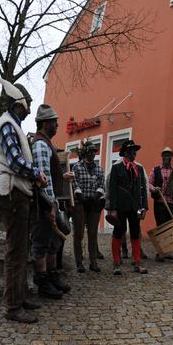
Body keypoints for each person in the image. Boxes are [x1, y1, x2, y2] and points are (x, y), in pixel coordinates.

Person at [0, 78, 47, 324]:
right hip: (12, 193)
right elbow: (14, 162)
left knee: (21, 250)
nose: (28, 112)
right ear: (18, 105)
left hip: (17, 193)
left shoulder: (13, 125)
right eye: (26, 107)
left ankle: (19, 297)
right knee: (15, 251)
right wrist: (36, 173)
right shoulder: (7, 125)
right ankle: (13, 306)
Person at [30, 105, 74, 299]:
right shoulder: (40, 144)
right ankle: (43, 283)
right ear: (46, 123)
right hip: (43, 204)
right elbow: (41, 179)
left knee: (54, 241)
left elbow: (48, 174)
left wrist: (62, 177)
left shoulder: (45, 143)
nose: (57, 125)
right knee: (42, 243)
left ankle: (51, 276)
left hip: (49, 201)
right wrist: (50, 206)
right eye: (55, 122)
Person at [106, 140, 149, 275]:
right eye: (131, 150)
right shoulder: (116, 167)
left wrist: (144, 207)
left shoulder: (139, 169)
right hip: (120, 206)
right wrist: (112, 208)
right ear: (125, 152)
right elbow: (111, 189)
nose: (134, 153)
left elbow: (143, 189)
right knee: (118, 233)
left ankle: (137, 262)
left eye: (135, 150)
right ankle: (116, 263)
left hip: (135, 207)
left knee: (136, 233)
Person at [71, 139, 105, 273]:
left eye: (94, 152)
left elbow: (102, 184)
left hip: (94, 204)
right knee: (78, 234)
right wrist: (81, 196)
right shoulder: (77, 167)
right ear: (85, 152)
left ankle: (93, 262)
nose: (93, 154)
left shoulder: (98, 169)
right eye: (90, 151)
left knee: (92, 234)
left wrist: (96, 196)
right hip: (80, 203)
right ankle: (79, 262)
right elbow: (74, 183)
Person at [150, 147, 173, 262]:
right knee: (161, 227)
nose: (167, 157)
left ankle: (166, 251)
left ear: (171, 157)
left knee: (169, 228)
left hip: (172, 204)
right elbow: (149, 184)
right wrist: (154, 188)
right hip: (159, 203)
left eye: (169, 155)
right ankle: (160, 253)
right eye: (165, 155)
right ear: (162, 156)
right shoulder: (155, 170)